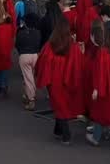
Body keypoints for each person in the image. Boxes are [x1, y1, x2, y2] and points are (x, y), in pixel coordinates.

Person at [36, 15, 84, 144]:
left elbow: (43, 62)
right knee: (62, 105)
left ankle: (66, 134)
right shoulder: (73, 47)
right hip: (67, 80)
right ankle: (58, 130)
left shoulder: (50, 46)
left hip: (54, 80)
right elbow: (78, 65)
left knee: (59, 106)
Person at [15, 11, 43, 110]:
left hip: (24, 55)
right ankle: (29, 93)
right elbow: (39, 45)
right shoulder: (37, 32)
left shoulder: (21, 32)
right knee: (32, 76)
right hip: (35, 55)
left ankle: (31, 97)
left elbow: (17, 45)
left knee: (27, 78)